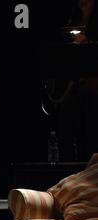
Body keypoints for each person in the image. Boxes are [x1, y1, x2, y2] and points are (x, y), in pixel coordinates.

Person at [55, 0, 98, 161]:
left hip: (93, 84)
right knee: (65, 128)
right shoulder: (72, 19)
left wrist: (87, 45)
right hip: (73, 83)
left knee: (90, 132)